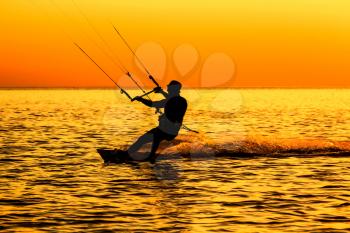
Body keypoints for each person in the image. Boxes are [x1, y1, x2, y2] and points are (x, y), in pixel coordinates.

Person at [126, 80, 187, 163]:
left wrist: (141, 99)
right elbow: (171, 98)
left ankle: (149, 157)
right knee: (147, 138)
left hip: (166, 130)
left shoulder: (174, 101)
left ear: (173, 89)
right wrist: (161, 92)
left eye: (169, 89)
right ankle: (130, 154)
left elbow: (152, 104)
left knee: (153, 138)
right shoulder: (180, 100)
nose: (167, 90)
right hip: (170, 130)